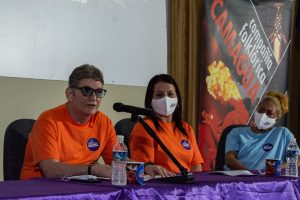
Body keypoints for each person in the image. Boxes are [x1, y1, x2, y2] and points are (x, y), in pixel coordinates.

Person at [20, 64, 117, 180]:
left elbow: (118, 161)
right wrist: (92, 169)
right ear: (69, 94)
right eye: (87, 91)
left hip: (83, 186)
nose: (94, 98)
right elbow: (50, 170)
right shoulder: (48, 120)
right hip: (41, 189)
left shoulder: (104, 122)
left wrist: (143, 167)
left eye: (99, 92)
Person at [129, 74, 204, 177]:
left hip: (187, 187)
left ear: (177, 99)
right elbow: (145, 168)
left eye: (170, 94)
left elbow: (196, 166)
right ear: (150, 100)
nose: (166, 99)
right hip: (162, 187)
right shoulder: (144, 126)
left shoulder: (186, 128)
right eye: (159, 95)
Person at [224, 91, 295, 170]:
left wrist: (276, 167)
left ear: (277, 118)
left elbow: (297, 160)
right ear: (256, 110)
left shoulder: (283, 134)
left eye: (269, 113)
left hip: (269, 181)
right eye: (261, 110)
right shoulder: (236, 133)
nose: (263, 115)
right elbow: (229, 159)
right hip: (240, 180)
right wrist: (250, 175)